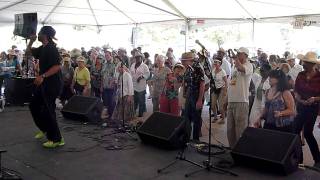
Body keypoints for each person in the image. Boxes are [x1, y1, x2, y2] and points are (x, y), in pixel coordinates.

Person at [26, 26, 64, 148]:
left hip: (52, 83)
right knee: (34, 105)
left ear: (45, 35)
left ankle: (57, 139)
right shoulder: (43, 48)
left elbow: (57, 67)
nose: (38, 34)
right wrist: (31, 41)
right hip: (44, 82)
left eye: (40, 33)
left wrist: (42, 76)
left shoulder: (52, 49)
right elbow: (28, 54)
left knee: (49, 110)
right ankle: (44, 128)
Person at [294, 51, 320, 169]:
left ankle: (317, 159)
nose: (304, 64)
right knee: (295, 131)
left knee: (308, 133)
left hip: (313, 108)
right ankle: (299, 159)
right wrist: (300, 100)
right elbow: (296, 91)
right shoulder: (300, 74)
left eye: (307, 62)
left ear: (313, 64)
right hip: (301, 106)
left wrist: (314, 98)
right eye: (304, 62)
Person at [227, 47, 253, 148]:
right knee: (230, 130)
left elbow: (241, 68)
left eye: (239, 53)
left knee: (240, 130)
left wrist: (234, 58)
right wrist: (226, 100)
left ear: (245, 55)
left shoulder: (249, 65)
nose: (237, 54)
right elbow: (231, 84)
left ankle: (241, 152)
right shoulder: (234, 66)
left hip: (242, 101)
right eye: (236, 53)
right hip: (231, 101)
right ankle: (232, 150)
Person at [181, 52, 205, 141]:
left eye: (184, 61)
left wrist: (199, 100)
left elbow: (202, 84)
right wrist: (185, 92)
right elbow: (186, 82)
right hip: (190, 94)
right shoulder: (188, 69)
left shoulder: (198, 67)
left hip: (197, 95)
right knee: (186, 117)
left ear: (189, 60)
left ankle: (196, 140)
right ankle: (186, 138)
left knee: (196, 119)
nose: (182, 63)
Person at [130, 51, 149, 117]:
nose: (137, 59)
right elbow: (130, 73)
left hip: (141, 87)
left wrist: (141, 77)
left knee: (141, 101)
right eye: (136, 58)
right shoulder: (132, 65)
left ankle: (140, 115)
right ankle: (133, 113)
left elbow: (147, 74)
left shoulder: (144, 66)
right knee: (135, 101)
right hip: (134, 86)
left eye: (138, 57)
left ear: (141, 58)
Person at [211, 59, 228, 124]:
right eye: (214, 62)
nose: (215, 63)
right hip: (215, 89)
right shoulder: (213, 70)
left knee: (221, 106)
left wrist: (225, 91)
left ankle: (223, 119)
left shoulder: (223, 71)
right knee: (212, 105)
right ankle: (215, 117)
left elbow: (226, 82)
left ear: (220, 63)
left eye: (216, 62)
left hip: (221, 89)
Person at [101, 52, 117, 118]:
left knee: (112, 102)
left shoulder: (115, 64)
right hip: (105, 86)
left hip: (112, 87)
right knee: (106, 102)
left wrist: (112, 83)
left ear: (111, 55)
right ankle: (109, 115)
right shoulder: (104, 64)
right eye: (105, 56)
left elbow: (115, 76)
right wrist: (101, 86)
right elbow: (102, 75)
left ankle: (112, 116)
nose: (106, 57)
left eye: (107, 55)